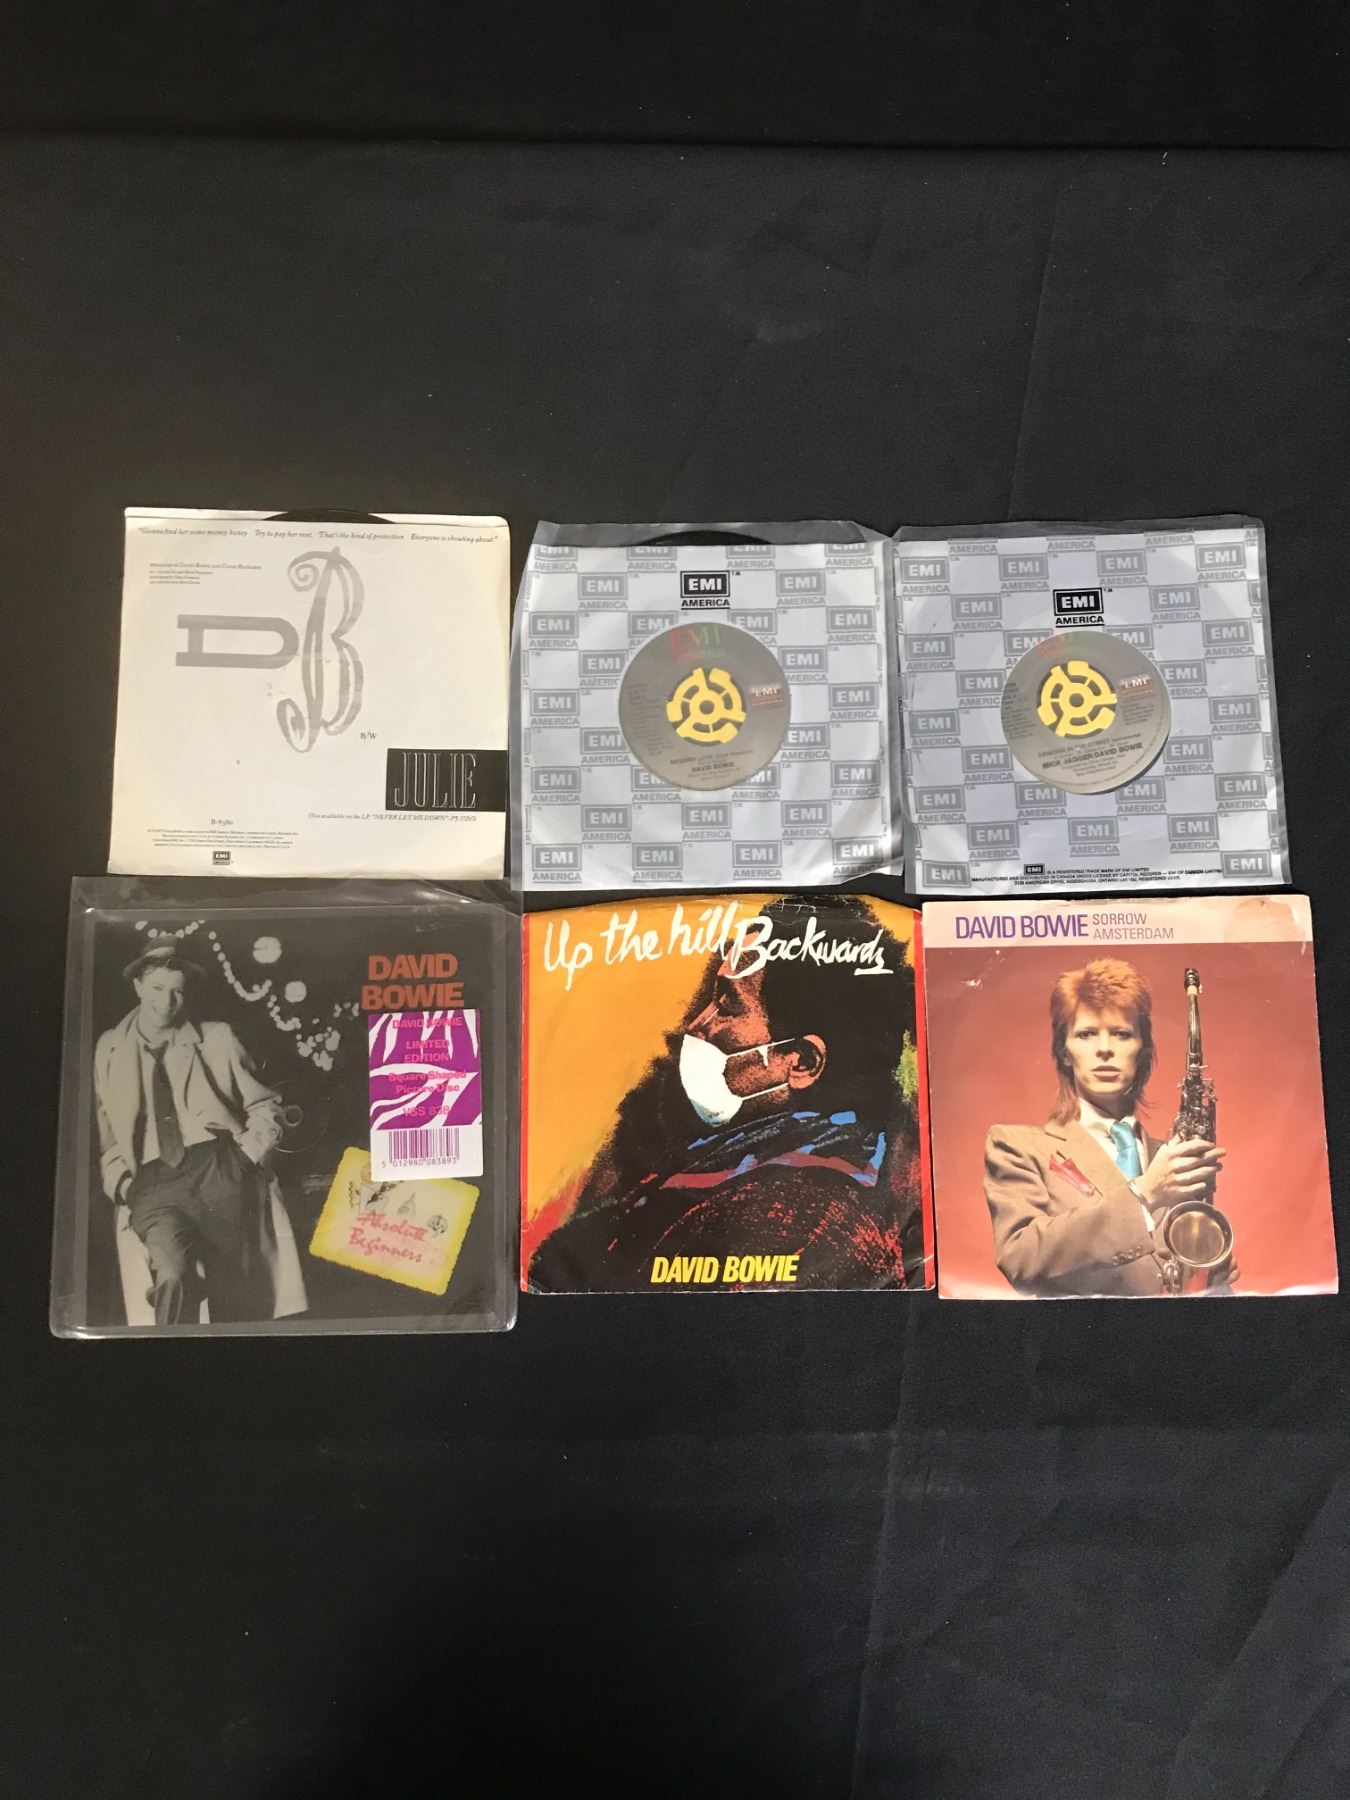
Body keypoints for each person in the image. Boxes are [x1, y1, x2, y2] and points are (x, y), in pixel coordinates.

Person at [528, 896, 923, 1290]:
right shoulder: (740, 1169)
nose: (698, 1025)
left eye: (727, 1005)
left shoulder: (794, 1214)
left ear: (801, 1063)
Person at [93, 938, 307, 1326]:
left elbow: (265, 1105)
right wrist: (123, 1185)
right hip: (152, 1184)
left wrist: (244, 1157)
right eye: (157, 988)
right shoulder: (109, 1049)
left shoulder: (217, 1037)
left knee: (236, 1291)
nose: (166, 1001)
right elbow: (107, 1135)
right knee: (171, 1277)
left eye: (177, 991)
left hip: (219, 1168)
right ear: (138, 986)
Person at [983, 957, 1227, 1297]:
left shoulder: (1171, 1159)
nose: (1104, 1049)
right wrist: (1145, 1193)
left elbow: (1207, 1273)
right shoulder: (1016, 1145)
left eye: (1121, 1034)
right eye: (1086, 1034)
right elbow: (1019, 1256)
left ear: (1143, 1050)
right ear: (1064, 1051)